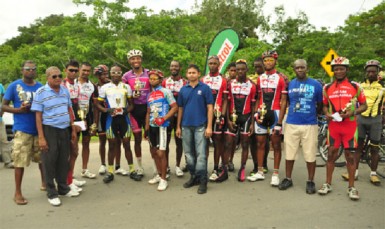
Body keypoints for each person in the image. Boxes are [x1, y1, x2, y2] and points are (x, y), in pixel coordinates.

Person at [318, 57, 367, 200]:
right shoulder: (327, 87)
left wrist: (353, 112)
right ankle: (327, 183)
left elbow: (364, 105)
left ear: (347, 70)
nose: (339, 71)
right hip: (334, 126)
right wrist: (327, 113)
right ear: (333, 71)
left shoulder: (355, 86)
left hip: (350, 127)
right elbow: (325, 105)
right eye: (336, 69)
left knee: (350, 157)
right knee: (331, 154)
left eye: (342, 68)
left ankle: (352, 187)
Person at [32, 66, 80, 206]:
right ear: (47, 78)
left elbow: (69, 110)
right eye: (54, 76)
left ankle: (63, 188)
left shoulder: (64, 90)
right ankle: (51, 192)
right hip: (50, 129)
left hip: (64, 129)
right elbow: (38, 116)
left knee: (63, 159)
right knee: (49, 161)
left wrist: (72, 130)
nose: (58, 78)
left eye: (59, 75)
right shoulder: (41, 92)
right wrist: (41, 137)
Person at [2, 60, 45, 205]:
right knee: (19, 162)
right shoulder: (14, 86)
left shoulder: (40, 87)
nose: (31, 71)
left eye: (34, 69)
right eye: (28, 69)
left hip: (39, 129)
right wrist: (18, 110)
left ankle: (45, 184)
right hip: (22, 129)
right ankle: (17, 192)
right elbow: (4, 106)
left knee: (42, 160)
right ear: (22, 70)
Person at [277, 59, 323, 194]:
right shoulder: (290, 84)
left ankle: (310, 181)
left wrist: (314, 114)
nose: (300, 70)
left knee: (310, 154)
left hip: (310, 124)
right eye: (297, 68)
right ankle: (288, 178)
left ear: (307, 68)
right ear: (294, 70)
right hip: (292, 123)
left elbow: (320, 103)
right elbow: (287, 102)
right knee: (289, 153)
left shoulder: (316, 85)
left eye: (302, 67)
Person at [247, 50, 287, 187]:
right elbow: (258, 97)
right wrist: (256, 113)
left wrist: (280, 122)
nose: (268, 62)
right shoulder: (260, 78)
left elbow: (283, 101)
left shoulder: (281, 78)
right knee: (260, 143)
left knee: (276, 144)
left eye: (270, 60)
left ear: (275, 61)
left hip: (275, 113)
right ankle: (260, 171)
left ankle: (275, 174)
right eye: (265, 60)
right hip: (262, 113)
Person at [341, 60, 384, 185]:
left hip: (376, 119)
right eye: (369, 71)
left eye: (373, 71)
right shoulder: (360, 86)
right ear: (365, 72)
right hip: (361, 119)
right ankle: (354, 173)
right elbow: (353, 102)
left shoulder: (382, 87)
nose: (371, 73)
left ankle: (373, 174)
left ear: (377, 72)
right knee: (357, 147)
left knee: (375, 148)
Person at [176, 64, 213, 194]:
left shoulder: (205, 88)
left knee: (201, 155)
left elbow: (210, 108)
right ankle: (194, 177)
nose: (191, 75)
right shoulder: (183, 90)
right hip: (186, 126)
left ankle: (203, 180)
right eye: (189, 72)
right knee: (188, 154)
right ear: (187, 75)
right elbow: (180, 109)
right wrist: (178, 126)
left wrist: (209, 126)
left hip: (200, 126)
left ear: (198, 74)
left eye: (194, 72)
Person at [96, 64, 135, 183]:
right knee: (111, 145)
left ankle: (132, 170)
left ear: (121, 74)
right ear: (110, 74)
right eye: (113, 73)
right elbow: (97, 104)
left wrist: (125, 110)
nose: (116, 75)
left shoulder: (126, 87)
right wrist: (106, 110)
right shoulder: (105, 87)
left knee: (127, 144)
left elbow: (132, 104)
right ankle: (110, 172)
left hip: (124, 119)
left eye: (118, 73)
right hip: (111, 119)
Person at [145, 70, 178, 191]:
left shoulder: (166, 92)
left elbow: (175, 107)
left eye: (155, 78)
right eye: (151, 79)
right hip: (152, 126)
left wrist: (164, 118)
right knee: (154, 152)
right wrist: (146, 128)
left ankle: (164, 179)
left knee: (161, 153)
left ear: (160, 80)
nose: (152, 80)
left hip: (162, 126)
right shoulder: (150, 95)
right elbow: (148, 112)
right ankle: (159, 175)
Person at [224, 60, 256, 181]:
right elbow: (227, 102)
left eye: (243, 69)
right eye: (238, 70)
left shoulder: (252, 85)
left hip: (246, 117)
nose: (240, 72)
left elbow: (253, 106)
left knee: (245, 144)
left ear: (247, 70)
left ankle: (242, 168)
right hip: (232, 117)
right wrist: (227, 119)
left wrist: (253, 122)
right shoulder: (230, 84)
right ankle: (225, 168)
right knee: (227, 143)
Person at [122, 49, 150, 180]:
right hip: (134, 110)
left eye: (138, 58)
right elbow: (122, 93)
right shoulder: (126, 76)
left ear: (141, 59)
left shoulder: (149, 73)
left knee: (151, 139)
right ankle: (140, 166)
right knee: (137, 139)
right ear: (129, 61)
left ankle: (157, 167)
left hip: (148, 109)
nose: (135, 61)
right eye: (133, 59)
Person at [201, 55, 229, 182]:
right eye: (210, 63)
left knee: (218, 141)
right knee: (204, 142)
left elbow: (224, 100)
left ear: (219, 65)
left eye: (214, 63)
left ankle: (216, 168)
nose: (212, 65)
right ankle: (203, 168)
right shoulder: (203, 79)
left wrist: (222, 115)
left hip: (217, 115)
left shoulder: (223, 80)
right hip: (204, 115)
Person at [61, 60, 87, 192]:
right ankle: (66, 181)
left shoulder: (77, 85)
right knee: (67, 152)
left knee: (75, 151)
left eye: (76, 70)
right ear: (65, 70)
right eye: (71, 70)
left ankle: (70, 177)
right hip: (66, 122)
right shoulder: (61, 85)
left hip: (76, 120)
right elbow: (65, 107)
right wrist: (71, 124)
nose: (73, 73)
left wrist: (82, 120)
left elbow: (78, 106)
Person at [162, 60, 187, 177]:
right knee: (165, 142)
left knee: (179, 142)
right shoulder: (164, 82)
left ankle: (177, 166)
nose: (174, 68)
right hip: (167, 116)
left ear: (180, 68)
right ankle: (166, 166)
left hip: (181, 116)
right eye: (172, 66)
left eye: (176, 66)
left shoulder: (185, 82)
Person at [77, 62, 99, 179]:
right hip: (74, 117)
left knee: (86, 142)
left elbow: (95, 106)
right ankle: (68, 174)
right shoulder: (71, 83)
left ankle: (84, 170)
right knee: (73, 144)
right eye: (84, 70)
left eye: (88, 71)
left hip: (87, 117)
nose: (85, 73)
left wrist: (94, 123)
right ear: (79, 69)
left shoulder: (92, 86)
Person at [249, 57, 269, 175]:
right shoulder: (252, 79)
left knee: (264, 140)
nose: (257, 69)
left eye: (259, 66)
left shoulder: (271, 78)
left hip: (267, 111)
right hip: (253, 110)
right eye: (255, 66)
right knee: (253, 140)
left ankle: (264, 164)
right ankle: (256, 165)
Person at [93, 65, 111, 175]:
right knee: (102, 140)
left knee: (115, 140)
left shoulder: (112, 85)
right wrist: (95, 122)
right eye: (103, 74)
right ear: (98, 76)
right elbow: (95, 106)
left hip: (112, 114)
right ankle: (103, 164)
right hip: (101, 115)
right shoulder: (95, 87)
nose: (105, 76)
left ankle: (115, 165)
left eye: (106, 74)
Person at [225, 62, 237, 172]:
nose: (233, 72)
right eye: (231, 70)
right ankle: (222, 162)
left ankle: (230, 160)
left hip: (235, 114)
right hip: (223, 113)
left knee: (231, 140)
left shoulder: (240, 83)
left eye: (235, 70)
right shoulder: (225, 82)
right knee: (221, 141)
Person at [0, 82, 14, 168]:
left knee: (3, 140)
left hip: (0, 120)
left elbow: (5, 99)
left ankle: (7, 161)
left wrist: (2, 110)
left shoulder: (0, 86)